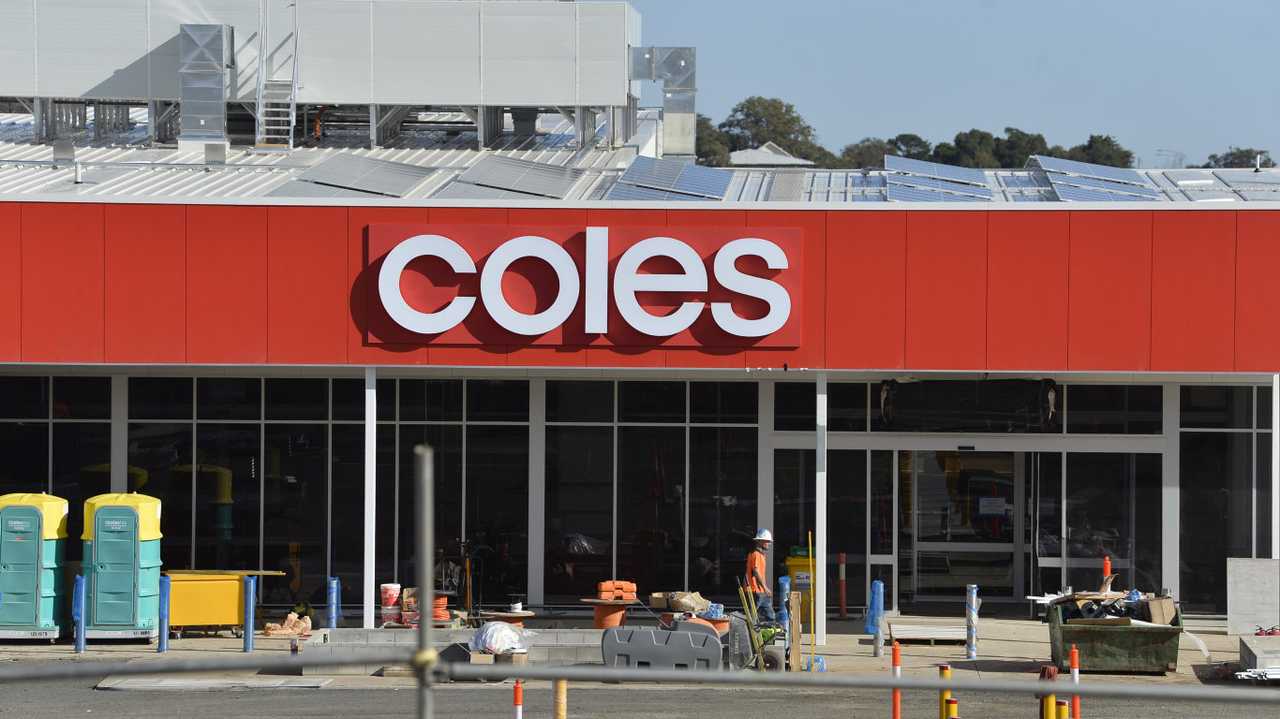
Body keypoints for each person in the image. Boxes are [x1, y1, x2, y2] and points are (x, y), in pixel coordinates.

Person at [745, 528, 776, 624]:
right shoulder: (756, 554)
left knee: (770, 616)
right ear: (761, 541)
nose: (769, 544)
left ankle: (769, 635)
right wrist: (765, 588)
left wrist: (764, 589)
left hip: (760, 592)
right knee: (752, 617)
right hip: (755, 591)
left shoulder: (760, 554)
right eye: (767, 541)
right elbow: (756, 572)